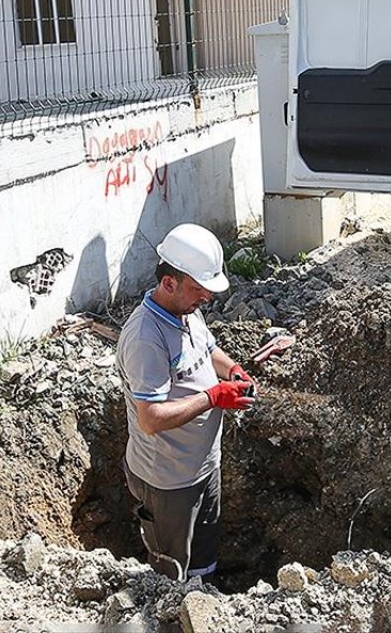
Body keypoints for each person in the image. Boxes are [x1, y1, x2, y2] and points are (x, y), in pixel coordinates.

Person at [115, 223, 255, 582]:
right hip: (168, 481)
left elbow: (208, 350)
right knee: (171, 569)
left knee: (203, 552)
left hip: (203, 466)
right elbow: (151, 418)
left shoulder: (186, 309)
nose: (206, 298)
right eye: (199, 289)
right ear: (169, 283)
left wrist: (233, 369)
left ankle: (204, 599)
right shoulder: (146, 338)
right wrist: (212, 397)